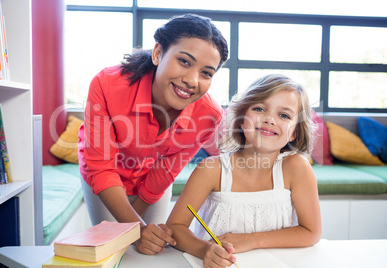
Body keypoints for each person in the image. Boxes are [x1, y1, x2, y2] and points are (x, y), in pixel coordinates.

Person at [77, 13, 228, 255]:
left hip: (151, 181)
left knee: (151, 250)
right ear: (158, 53)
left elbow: (168, 167)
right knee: (116, 251)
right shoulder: (107, 84)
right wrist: (136, 227)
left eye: (206, 73)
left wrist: (140, 228)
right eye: (185, 62)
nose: (192, 80)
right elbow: (101, 167)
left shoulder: (209, 115)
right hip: (105, 177)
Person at [166, 74, 322, 268]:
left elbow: (311, 232)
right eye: (259, 108)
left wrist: (251, 240)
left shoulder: (297, 168)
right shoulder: (212, 169)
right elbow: (175, 227)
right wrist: (204, 250)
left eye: (284, 115)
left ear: (294, 133)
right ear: (241, 119)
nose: (269, 119)